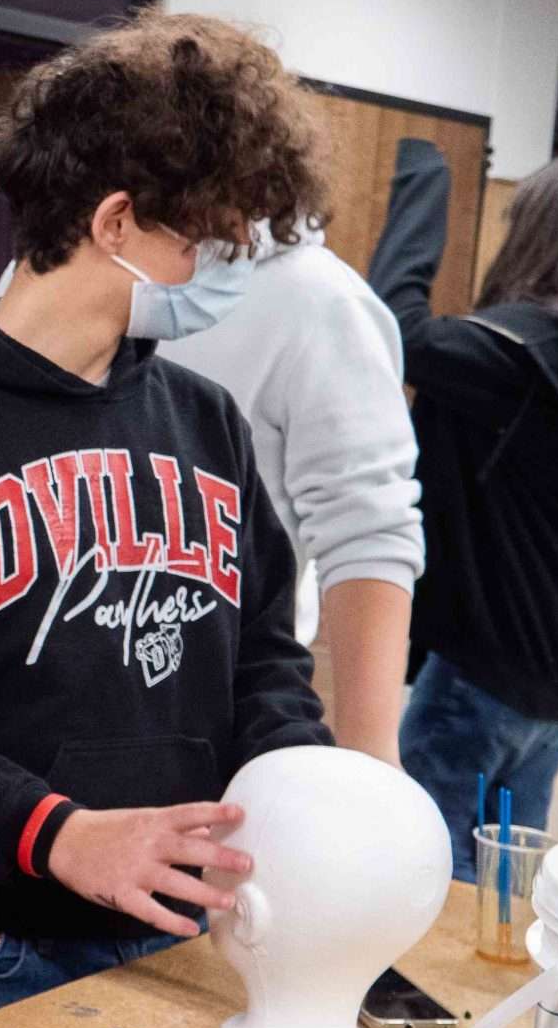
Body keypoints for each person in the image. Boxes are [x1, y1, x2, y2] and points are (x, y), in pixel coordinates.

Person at [0, 12, 330, 1028]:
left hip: (183, 928)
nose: (225, 270)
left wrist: (302, 785)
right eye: (210, 241)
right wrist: (56, 833)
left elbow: (262, 658)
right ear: (115, 222)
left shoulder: (207, 423)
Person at [375, 144, 558, 876]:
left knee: (427, 864)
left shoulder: (515, 359)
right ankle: (485, 990)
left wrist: (424, 176)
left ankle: (422, 995)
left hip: (487, 667)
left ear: (540, 236)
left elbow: (394, 325)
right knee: (502, 870)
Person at [157, 227, 422, 763]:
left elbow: (367, 532)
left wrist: (371, 761)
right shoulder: (75, 266)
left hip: (228, 707)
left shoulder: (318, 299)